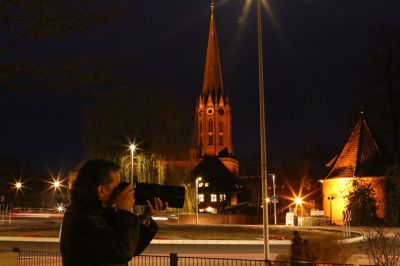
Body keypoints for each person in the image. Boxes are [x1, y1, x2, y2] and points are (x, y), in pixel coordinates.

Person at [60, 159, 165, 266]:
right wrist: (124, 211)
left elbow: (131, 247)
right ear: (101, 190)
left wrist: (145, 218)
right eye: (116, 188)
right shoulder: (81, 219)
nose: (118, 192)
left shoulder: (100, 214)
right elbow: (123, 251)